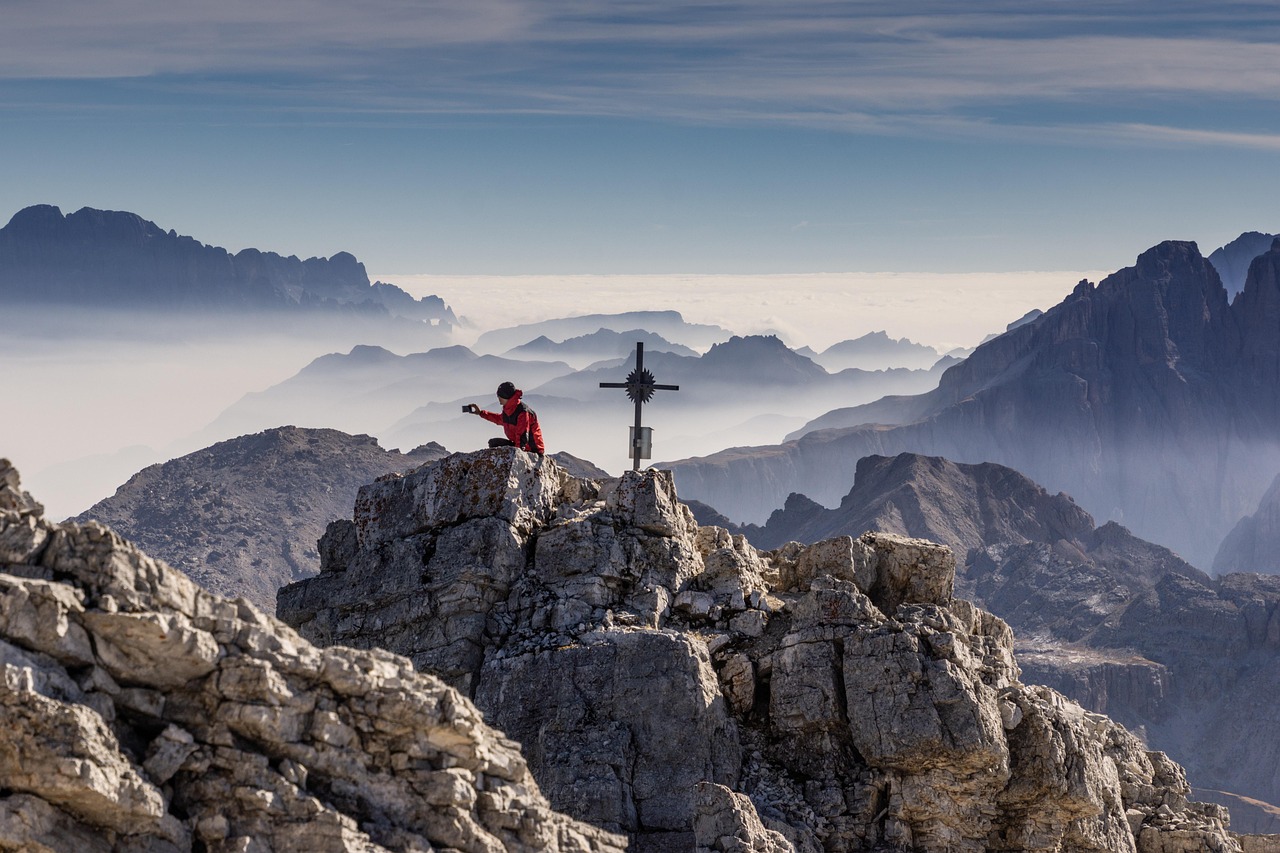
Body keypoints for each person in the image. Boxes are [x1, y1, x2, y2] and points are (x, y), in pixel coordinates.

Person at [465, 381, 545, 455]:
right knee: (493, 443)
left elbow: (522, 436)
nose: (498, 398)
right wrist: (480, 412)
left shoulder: (523, 412)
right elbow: (498, 419)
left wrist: (517, 456)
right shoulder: (508, 410)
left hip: (533, 450)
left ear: (506, 396)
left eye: (499, 396)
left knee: (499, 449)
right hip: (519, 445)